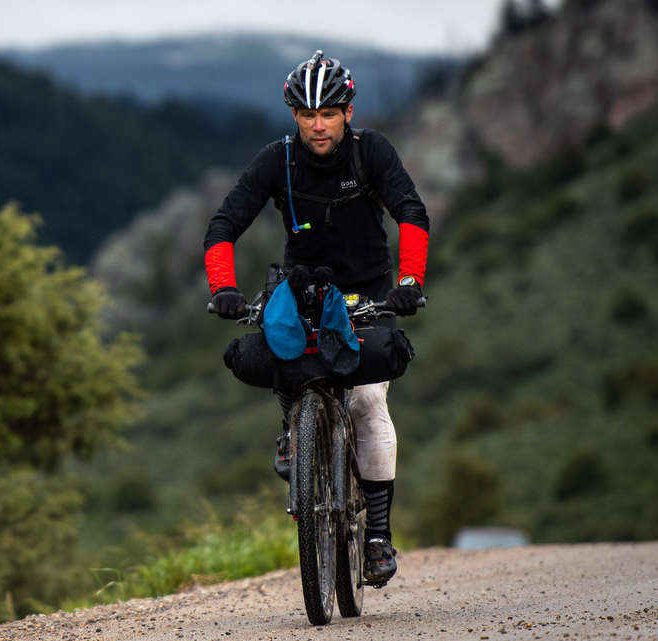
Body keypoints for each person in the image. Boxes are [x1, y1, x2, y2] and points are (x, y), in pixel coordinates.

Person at [203, 51, 429, 587]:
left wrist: (410, 284)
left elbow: (410, 213)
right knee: (286, 356)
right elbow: (222, 226)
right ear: (294, 116)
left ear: (348, 111)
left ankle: (376, 534)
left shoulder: (371, 152)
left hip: (371, 289)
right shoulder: (276, 160)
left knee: (369, 400)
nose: (318, 124)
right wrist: (225, 290)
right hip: (304, 289)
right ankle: (294, 430)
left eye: (328, 112)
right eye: (306, 115)